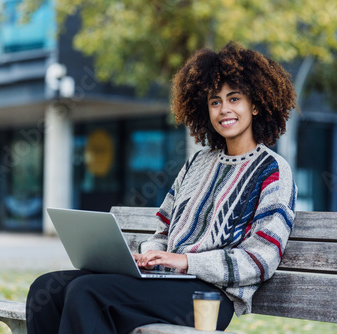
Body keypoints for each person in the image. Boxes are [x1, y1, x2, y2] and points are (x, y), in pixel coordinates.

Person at [26, 41, 297, 334]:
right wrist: (150, 255)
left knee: (87, 292)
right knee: (46, 290)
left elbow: (260, 259)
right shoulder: (198, 164)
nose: (224, 110)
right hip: (167, 282)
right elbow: (163, 230)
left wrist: (184, 261)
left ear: (255, 104)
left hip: (211, 297)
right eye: (215, 102)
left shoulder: (273, 171)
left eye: (234, 99)